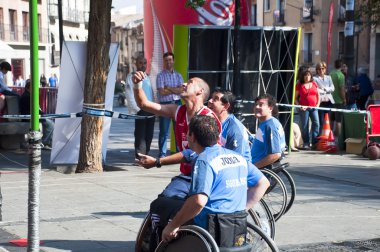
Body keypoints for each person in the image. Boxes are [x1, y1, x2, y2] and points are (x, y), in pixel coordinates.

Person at [161, 115, 270, 245]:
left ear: (193, 137)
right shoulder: (237, 157)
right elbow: (263, 183)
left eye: (188, 133)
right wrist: (242, 209)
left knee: (162, 205)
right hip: (237, 222)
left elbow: (199, 201)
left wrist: (173, 226)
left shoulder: (204, 160)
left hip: (210, 225)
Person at [156, 52, 184, 158]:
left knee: (179, 129)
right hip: (165, 105)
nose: (168, 62)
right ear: (163, 62)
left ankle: (179, 153)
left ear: (173, 61)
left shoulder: (178, 75)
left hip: (177, 104)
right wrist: (175, 89)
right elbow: (162, 92)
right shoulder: (160, 76)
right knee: (164, 131)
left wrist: (169, 88)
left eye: (170, 60)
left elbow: (181, 90)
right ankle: (162, 154)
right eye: (166, 60)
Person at [128, 56, 155, 159]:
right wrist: (137, 109)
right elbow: (129, 94)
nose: (143, 65)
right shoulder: (132, 77)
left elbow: (152, 93)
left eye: (144, 63)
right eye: (140, 63)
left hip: (151, 109)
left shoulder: (148, 77)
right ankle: (140, 157)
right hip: (140, 110)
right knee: (140, 135)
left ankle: (146, 155)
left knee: (149, 135)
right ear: (136, 64)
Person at [251, 94, 286, 167]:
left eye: (261, 105)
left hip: (263, 170)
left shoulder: (270, 126)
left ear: (270, 108)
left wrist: (253, 168)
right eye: (256, 104)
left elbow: (275, 154)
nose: (257, 107)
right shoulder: (265, 123)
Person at [19, 79, 54, 149]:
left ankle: (47, 142)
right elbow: (34, 110)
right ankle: (45, 143)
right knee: (50, 124)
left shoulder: (28, 95)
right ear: (29, 88)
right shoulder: (27, 97)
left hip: (32, 115)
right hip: (30, 117)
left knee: (50, 123)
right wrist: (44, 114)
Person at [295, 70, 320, 150]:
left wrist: (317, 105)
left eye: (308, 75)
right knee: (305, 125)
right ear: (303, 77)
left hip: (314, 108)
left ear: (311, 76)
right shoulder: (299, 85)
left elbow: (318, 96)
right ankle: (306, 143)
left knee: (316, 124)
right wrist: (299, 106)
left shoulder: (314, 84)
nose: (307, 77)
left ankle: (314, 142)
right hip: (304, 108)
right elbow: (295, 98)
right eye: (305, 75)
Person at [313, 61, 334, 135]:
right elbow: (315, 89)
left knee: (328, 120)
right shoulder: (314, 78)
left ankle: (328, 135)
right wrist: (323, 90)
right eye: (319, 69)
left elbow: (332, 88)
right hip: (320, 102)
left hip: (329, 102)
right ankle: (320, 136)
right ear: (317, 70)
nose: (321, 70)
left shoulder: (329, 77)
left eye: (322, 68)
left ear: (325, 69)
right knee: (321, 121)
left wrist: (325, 89)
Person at [330, 59, 346, 138]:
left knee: (331, 119)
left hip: (331, 99)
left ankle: (330, 134)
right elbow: (341, 89)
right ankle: (338, 137)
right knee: (338, 120)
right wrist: (344, 99)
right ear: (342, 65)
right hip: (338, 101)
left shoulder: (331, 73)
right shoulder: (341, 75)